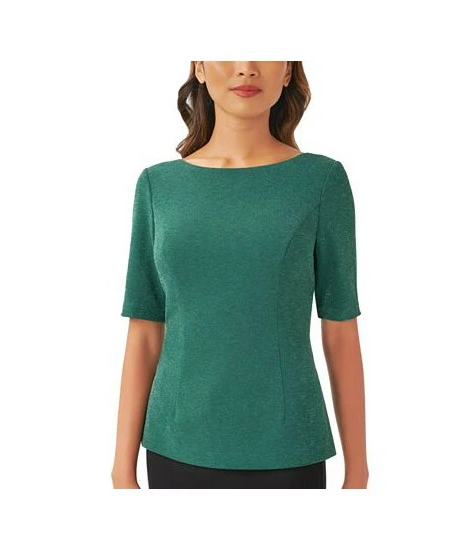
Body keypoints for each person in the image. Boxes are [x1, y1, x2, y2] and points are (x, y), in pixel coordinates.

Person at [111, 61, 368, 489]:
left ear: (287, 72)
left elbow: (340, 328)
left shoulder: (321, 181)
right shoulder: (158, 186)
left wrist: (357, 473)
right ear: (199, 67)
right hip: (175, 447)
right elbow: (144, 331)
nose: (247, 69)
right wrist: (122, 470)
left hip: (288, 449)